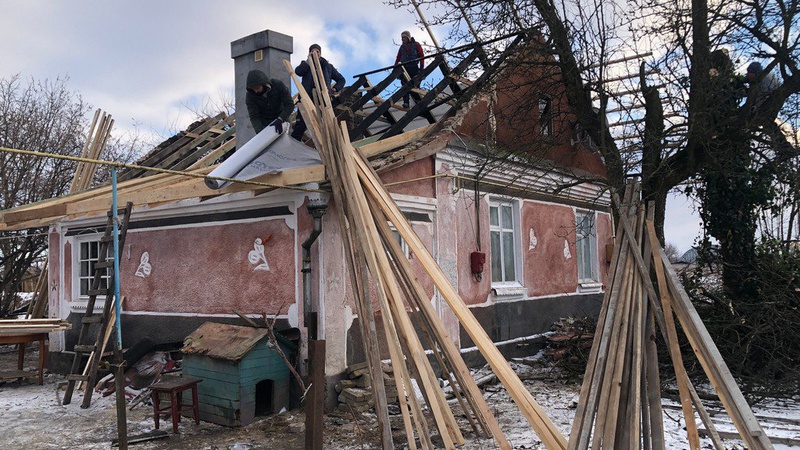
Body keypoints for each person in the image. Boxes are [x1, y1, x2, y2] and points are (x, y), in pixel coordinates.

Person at [292, 44, 346, 141]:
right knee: (300, 125)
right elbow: (298, 72)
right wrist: (308, 62)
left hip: (323, 101)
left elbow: (341, 79)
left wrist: (335, 89)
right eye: (313, 51)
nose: (315, 53)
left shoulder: (327, 66)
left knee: (325, 125)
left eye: (317, 51)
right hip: (306, 99)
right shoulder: (306, 65)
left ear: (320, 53)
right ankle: (292, 149)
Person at [245, 69, 294, 135]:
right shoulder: (250, 96)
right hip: (265, 124)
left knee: (285, 141)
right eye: (253, 89)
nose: (255, 91)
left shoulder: (278, 85)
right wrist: (259, 132)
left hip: (282, 118)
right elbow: (254, 116)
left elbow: (289, 105)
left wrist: (280, 119)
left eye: (257, 88)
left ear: (263, 84)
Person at [394, 30, 425, 108]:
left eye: (404, 37)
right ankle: (406, 102)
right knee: (404, 85)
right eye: (402, 38)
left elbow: (421, 56)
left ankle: (418, 102)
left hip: (414, 67)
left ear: (408, 37)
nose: (403, 39)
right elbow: (398, 58)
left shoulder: (416, 45)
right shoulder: (402, 47)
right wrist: (395, 69)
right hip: (404, 68)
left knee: (415, 84)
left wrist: (421, 68)